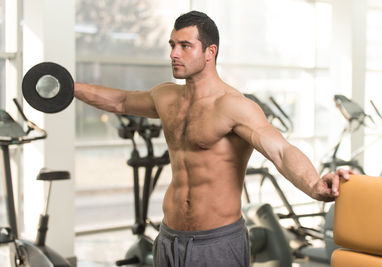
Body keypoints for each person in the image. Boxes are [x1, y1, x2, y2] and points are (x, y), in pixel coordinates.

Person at [74, 10, 351, 267]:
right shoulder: (166, 97)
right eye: (172, 45)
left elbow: (281, 151)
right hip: (169, 238)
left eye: (185, 46)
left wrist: (315, 185)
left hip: (217, 243)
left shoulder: (233, 106)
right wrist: (69, 87)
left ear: (210, 51)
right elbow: (121, 101)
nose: (174, 53)